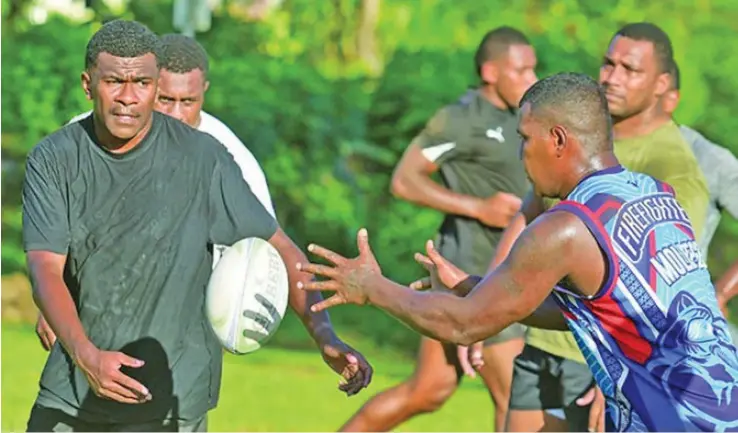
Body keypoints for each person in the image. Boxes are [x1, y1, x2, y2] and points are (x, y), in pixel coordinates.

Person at [297, 72, 738, 432]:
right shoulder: (653, 196)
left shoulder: (565, 227)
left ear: (559, 140)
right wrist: (474, 287)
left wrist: (372, 287)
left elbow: (462, 326)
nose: (521, 153)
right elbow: (599, 310)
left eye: (525, 138)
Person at [23, 20, 371, 432]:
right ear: (88, 83)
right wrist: (83, 351)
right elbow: (46, 266)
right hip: (73, 393)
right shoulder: (54, 158)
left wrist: (323, 336)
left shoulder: (205, 159)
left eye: (143, 83)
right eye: (114, 81)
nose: (128, 98)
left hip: (172, 399)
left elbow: (279, 249)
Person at [475, 23, 712, 432]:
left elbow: (666, 292)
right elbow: (529, 213)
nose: (611, 77)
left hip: (603, 360)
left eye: (629, 69)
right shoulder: (583, 137)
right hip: (545, 342)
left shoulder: (672, 169)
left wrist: (620, 376)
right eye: (608, 63)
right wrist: (484, 304)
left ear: (662, 84)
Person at [339, 27, 537, 432]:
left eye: (533, 69)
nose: (531, 79)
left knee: (427, 391)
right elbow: (405, 180)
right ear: (489, 71)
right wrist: (479, 207)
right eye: (520, 70)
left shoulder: (522, 118)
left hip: (510, 270)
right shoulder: (460, 120)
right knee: (515, 402)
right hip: (472, 276)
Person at [37, 33, 278, 351]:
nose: (176, 115)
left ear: (203, 91)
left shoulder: (229, 159)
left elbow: (264, 255)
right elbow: (66, 228)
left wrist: (322, 332)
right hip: (94, 315)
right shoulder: (88, 135)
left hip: (178, 330)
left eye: (188, 102)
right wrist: (54, 299)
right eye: (165, 100)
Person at [661, 60, 738, 339]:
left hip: (678, 332)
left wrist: (721, 292)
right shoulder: (601, 152)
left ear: (671, 99)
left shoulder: (708, 159)